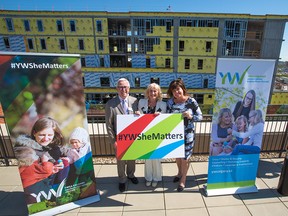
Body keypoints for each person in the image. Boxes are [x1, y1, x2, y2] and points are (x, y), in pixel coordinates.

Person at [13, 116, 68, 203]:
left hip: (45, 184)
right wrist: (47, 165)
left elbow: (63, 153)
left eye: (50, 135)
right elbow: (30, 174)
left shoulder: (52, 147)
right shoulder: (26, 151)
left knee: (66, 164)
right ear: (34, 133)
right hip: (34, 188)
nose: (46, 138)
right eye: (42, 134)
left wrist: (55, 166)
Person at [166, 79, 203, 192]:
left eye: (178, 89)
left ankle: (183, 180)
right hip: (175, 134)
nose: (176, 92)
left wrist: (191, 117)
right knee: (177, 155)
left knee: (185, 157)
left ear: (183, 89)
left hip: (188, 134)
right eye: (174, 90)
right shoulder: (170, 102)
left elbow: (200, 117)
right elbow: (166, 117)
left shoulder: (191, 101)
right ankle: (179, 173)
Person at [105, 78, 139, 192]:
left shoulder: (135, 101)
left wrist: (140, 113)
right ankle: (122, 180)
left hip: (132, 138)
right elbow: (109, 125)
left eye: (125, 87)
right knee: (120, 160)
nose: (123, 89)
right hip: (119, 139)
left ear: (129, 88)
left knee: (131, 159)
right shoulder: (110, 104)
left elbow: (141, 118)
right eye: (120, 87)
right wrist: (113, 141)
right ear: (116, 88)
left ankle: (131, 175)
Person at [137, 83, 167, 188]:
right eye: (150, 91)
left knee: (157, 158)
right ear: (147, 92)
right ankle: (148, 178)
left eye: (155, 91)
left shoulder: (163, 105)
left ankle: (156, 178)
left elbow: (166, 120)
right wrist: (136, 114)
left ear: (158, 93)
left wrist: (161, 116)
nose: (153, 93)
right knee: (148, 159)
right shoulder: (141, 102)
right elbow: (138, 117)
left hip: (157, 135)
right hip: (145, 135)